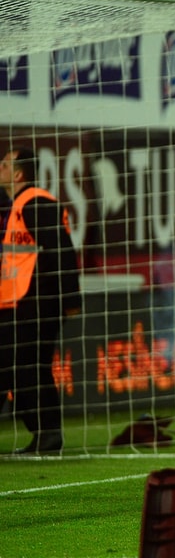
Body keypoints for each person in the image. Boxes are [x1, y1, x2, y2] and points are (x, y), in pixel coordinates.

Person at [0, 147, 81, 454]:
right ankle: (44, 433)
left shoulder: (36, 201)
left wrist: (69, 297)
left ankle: (47, 434)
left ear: (19, 173)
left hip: (36, 301)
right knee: (21, 368)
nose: (1, 168)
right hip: (18, 302)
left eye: (5, 165)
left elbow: (61, 249)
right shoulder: (19, 204)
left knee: (30, 368)